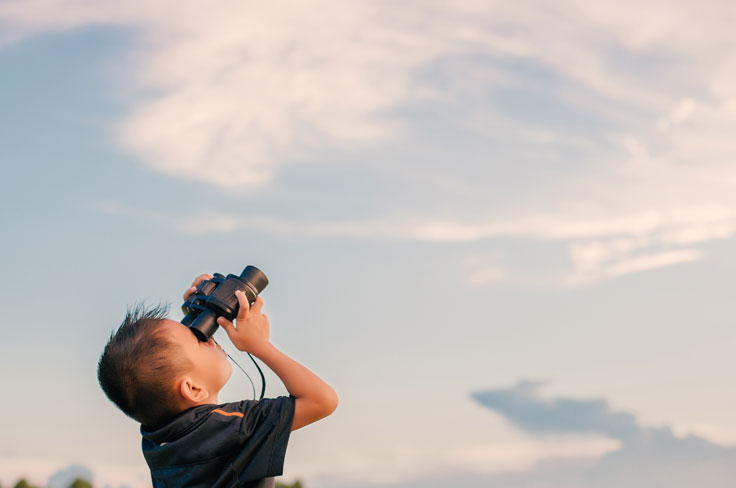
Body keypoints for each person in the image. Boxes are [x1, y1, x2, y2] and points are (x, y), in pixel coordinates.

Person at [97, 273, 338, 488]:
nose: (211, 339)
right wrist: (260, 346)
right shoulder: (235, 427)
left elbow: (164, 369)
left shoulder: (156, 441)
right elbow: (322, 400)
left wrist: (196, 316)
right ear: (192, 388)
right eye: (199, 340)